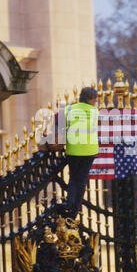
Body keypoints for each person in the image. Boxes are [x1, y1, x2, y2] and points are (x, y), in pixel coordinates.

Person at [40, 87, 99, 218]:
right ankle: (74, 210)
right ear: (91, 99)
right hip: (90, 151)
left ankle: (69, 204)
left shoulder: (69, 110)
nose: (96, 101)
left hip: (74, 150)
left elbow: (55, 120)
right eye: (95, 99)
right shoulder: (95, 112)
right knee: (82, 180)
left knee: (74, 178)